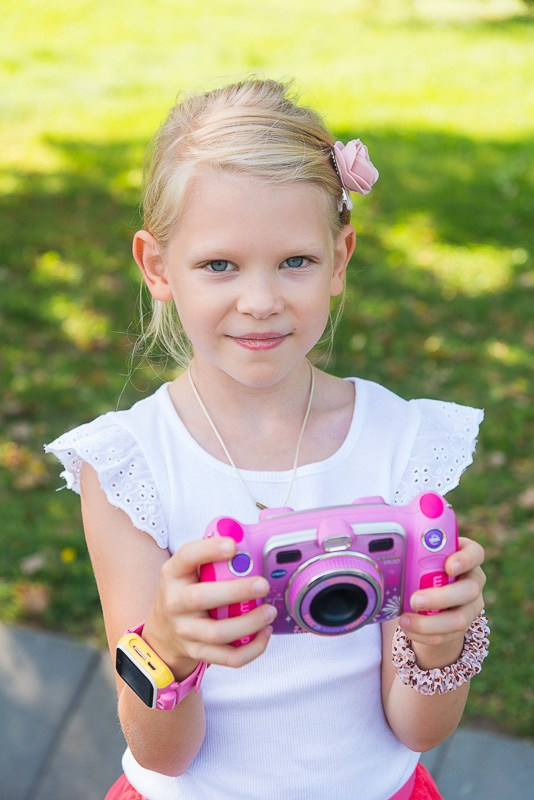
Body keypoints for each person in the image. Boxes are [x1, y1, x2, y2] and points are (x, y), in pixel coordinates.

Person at [46, 78, 489, 800]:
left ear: (341, 257)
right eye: (220, 264)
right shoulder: (133, 465)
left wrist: (440, 646)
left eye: (296, 262)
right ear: (157, 267)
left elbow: (418, 730)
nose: (260, 301)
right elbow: (163, 755)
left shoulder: (400, 445)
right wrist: (169, 643)